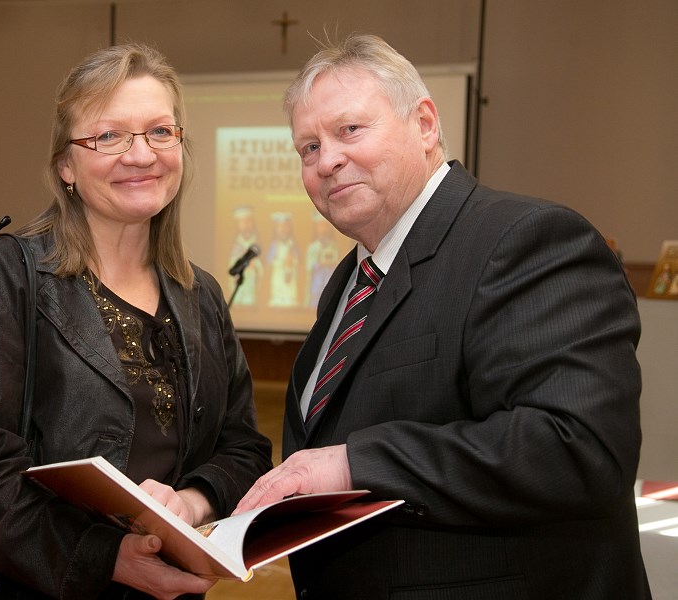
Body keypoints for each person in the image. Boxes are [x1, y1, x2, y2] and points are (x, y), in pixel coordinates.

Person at [235, 34, 649, 599]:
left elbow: (577, 448)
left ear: (425, 124)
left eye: (349, 130)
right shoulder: (351, 279)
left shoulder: (526, 239)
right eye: (308, 148)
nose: (327, 161)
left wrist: (354, 465)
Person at [0, 43, 272, 599]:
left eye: (160, 131)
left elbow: (244, 447)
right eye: (109, 136)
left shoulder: (201, 295)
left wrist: (192, 503)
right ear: (65, 165)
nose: (141, 155)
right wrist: (109, 559)